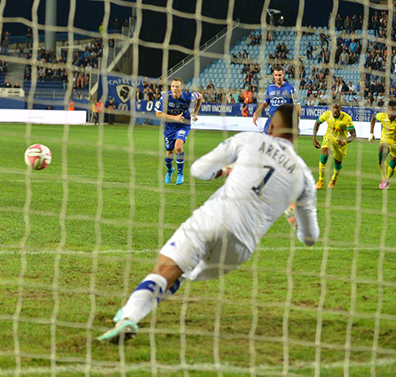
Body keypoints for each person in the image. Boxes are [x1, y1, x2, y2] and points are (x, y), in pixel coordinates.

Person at [98, 104, 319, 343]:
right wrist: (296, 220)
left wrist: (224, 172)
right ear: (297, 133)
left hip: (214, 218)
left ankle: (128, 317)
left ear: (271, 126)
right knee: (182, 272)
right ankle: (132, 312)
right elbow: (310, 238)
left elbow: (198, 170)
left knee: (167, 269)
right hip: (241, 248)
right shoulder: (304, 176)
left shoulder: (250, 140)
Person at [155, 78, 202, 185]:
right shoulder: (165, 97)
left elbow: (201, 97)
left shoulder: (189, 96)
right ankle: (169, 171)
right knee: (169, 152)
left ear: (181, 88)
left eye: (177, 86)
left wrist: (195, 113)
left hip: (183, 125)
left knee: (178, 147)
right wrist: (174, 118)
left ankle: (180, 174)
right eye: (172, 86)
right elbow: (158, 114)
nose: (174, 89)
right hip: (169, 127)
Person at [312, 102, 356, 189]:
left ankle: (334, 178)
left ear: (341, 109)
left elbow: (353, 135)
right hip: (329, 138)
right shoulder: (327, 114)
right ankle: (320, 180)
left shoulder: (346, 118)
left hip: (341, 142)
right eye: (333, 108)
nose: (335, 110)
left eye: (337, 108)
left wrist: (344, 142)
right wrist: (314, 138)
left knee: (337, 162)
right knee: (324, 155)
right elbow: (317, 123)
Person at [252, 65, 301, 134]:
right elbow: (264, 103)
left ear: (283, 75)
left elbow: (297, 105)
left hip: (284, 122)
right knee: (266, 142)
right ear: (273, 75)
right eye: (276, 75)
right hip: (271, 120)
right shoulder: (270, 88)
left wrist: (297, 121)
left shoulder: (291, 88)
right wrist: (256, 113)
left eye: (280, 75)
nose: (278, 77)